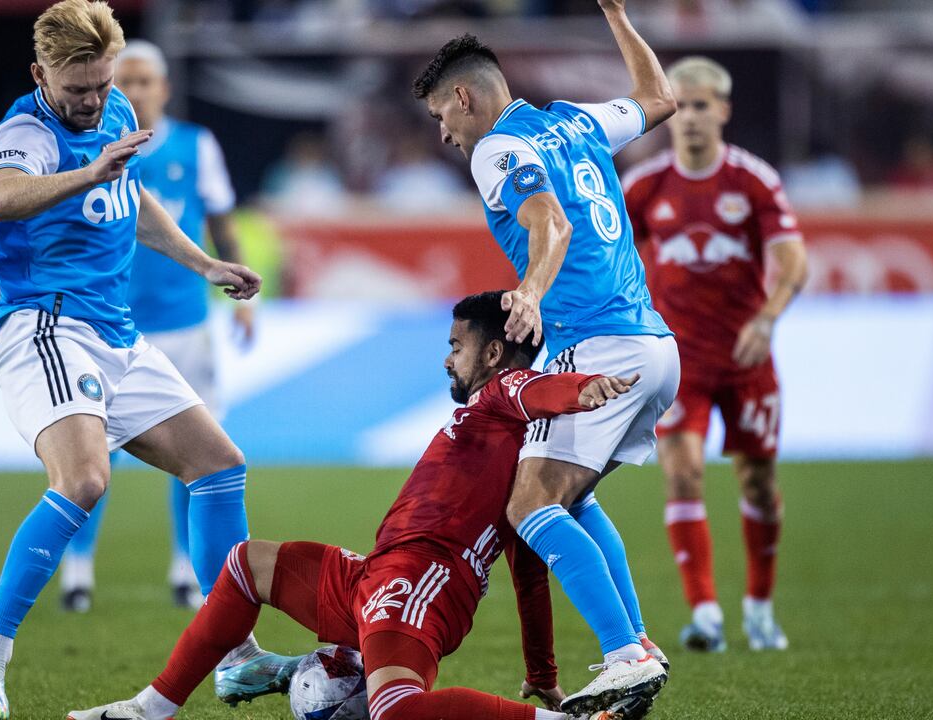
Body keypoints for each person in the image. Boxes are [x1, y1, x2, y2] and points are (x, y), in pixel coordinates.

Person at [67, 291, 647, 720]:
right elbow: (528, 573)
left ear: (494, 351)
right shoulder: (511, 455)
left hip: (424, 583)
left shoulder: (501, 395)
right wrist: (542, 672)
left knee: (396, 712)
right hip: (374, 572)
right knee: (246, 565)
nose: (447, 360)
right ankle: (151, 708)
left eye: (456, 347)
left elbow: (536, 388)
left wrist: (580, 390)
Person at [0, 3, 287, 717]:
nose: (95, 101)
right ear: (40, 74)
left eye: (104, 86)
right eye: (79, 88)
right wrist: (90, 171)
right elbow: (1, 199)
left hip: (119, 335)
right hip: (46, 329)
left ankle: (236, 657)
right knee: (83, 481)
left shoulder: (111, 116)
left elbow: (131, 203)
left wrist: (204, 263)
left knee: (220, 464)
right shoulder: (23, 132)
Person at [413, 1, 678, 714]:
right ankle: (638, 645)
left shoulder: (495, 150)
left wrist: (529, 292)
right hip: (654, 344)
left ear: (465, 97)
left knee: (528, 502)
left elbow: (549, 221)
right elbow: (661, 98)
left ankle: (625, 655)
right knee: (572, 495)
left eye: (443, 115)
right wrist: (617, 14)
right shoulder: (575, 119)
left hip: (596, 344)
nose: (443, 133)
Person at [58, 38, 256, 614]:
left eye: (147, 81)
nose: (137, 90)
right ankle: (78, 571)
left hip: (186, 323)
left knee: (194, 446)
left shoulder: (197, 146)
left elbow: (221, 218)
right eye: (128, 81)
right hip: (111, 324)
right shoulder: (93, 149)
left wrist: (241, 298)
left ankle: (184, 569)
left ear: (165, 88)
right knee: (94, 451)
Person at [621, 56, 807, 653]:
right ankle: (705, 615)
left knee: (757, 481)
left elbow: (794, 261)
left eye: (703, 106)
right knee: (683, 471)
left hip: (747, 356)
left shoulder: (753, 181)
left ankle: (758, 606)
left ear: (722, 111)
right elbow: (611, 256)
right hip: (679, 359)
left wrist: (768, 317)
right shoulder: (644, 187)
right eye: (682, 105)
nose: (692, 117)